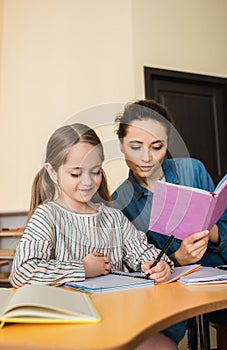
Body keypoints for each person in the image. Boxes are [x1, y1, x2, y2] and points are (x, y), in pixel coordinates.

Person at [10, 122, 177, 350]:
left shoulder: (113, 218)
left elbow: (145, 253)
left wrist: (160, 265)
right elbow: (21, 272)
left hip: (118, 321)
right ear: (52, 172)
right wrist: (83, 268)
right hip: (66, 328)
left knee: (164, 347)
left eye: (95, 171)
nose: (88, 181)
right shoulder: (47, 215)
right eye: (76, 173)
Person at [112, 98, 227, 344]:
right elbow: (139, 270)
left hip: (223, 280)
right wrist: (178, 259)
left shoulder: (193, 170)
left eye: (157, 146)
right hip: (170, 295)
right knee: (152, 338)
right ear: (121, 145)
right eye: (135, 146)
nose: (146, 157)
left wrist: (209, 232)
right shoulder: (120, 202)